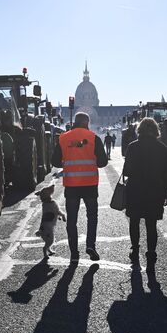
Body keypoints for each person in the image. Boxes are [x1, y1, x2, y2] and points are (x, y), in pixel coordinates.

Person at [52, 112, 108, 262]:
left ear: (75, 122)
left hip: (71, 185)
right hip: (90, 185)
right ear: (87, 123)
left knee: (72, 220)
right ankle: (90, 245)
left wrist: (69, 157)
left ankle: (74, 252)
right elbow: (103, 162)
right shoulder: (93, 138)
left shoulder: (63, 138)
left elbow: (55, 162)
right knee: (92, 217)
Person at [122, 117, 167, 272]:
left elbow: (127, 171)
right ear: (156, 130)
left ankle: (135, 249)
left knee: (134, 221)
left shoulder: (133, 147)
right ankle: (151, 253)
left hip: (135, 189)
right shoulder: (162, 148)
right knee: (151, 224)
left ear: (140, 130)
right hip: (154, 190)